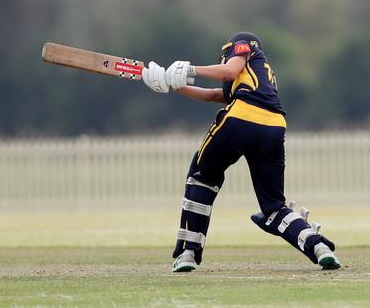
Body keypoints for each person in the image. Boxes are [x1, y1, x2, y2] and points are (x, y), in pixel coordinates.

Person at [141, 32, 340, 272]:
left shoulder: (244, 45)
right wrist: (174, 85)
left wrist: (191, 69)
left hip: (242, 117)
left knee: (202, 176)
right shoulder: (258, 75)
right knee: (274, 206)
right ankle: (319, 247)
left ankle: (188, 253)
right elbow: (217, 95)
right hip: (274, 126)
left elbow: (229, 71)